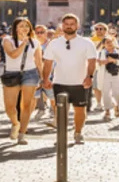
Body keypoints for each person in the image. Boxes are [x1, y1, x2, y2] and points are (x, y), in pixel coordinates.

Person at [41, 13, 98, 145]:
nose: (69, 26)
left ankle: (78, 133)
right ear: (62, 26)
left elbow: (92, 61)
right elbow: (48, 62)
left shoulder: (86, 43)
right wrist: (45, 79)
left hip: (80, 82)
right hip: (60, 81)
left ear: (77, 26)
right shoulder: (54, 43)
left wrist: (89, 77)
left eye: (72, 24)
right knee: (61, 111)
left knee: (80, 109)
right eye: (66, 24)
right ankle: (61, 135)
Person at [0, 17, 42, 144]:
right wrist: (23, 43)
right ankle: (15, 123)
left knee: (27, 105)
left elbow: (39, 61)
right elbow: (13, 55)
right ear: (15, 28)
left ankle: (22, 133)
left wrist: (43, 78)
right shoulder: (7, 40)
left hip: (30, 73)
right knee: (10, 107)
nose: (24, 28)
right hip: (11, 74)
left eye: (27, 26)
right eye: (21, 26)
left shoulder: (35, 42)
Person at [97, 36, 119, 120]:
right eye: (107, 42)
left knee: (117, 92)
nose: (109, 44)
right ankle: (107, 111)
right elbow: (95, 63)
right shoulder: (100, 52)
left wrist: (114, 61)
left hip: (117, 74)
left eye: (111, 42)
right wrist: (101, 62)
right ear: (104, 44)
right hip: (105, 74)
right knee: (106, 93)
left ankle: (116, 106)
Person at [33, 25, 56, 122]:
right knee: (37, 94)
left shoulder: (51, 44)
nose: (39, 34)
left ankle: (54, 112)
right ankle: (41, 109)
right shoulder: (32, 44)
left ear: (46, 33)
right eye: (37, 32)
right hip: (35, 71)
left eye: (41, 32)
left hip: (50, 71)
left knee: (51, 94)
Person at [89, 22, 107, 112]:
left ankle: (106, 102)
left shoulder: (110, 39)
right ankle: (99, 103)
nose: (98, 31)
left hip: (107, 65)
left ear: (105, 30)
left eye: (101, 29)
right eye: (96, 29)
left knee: (106, 86)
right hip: (96, 66)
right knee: (96, 85)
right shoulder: (92, 40)